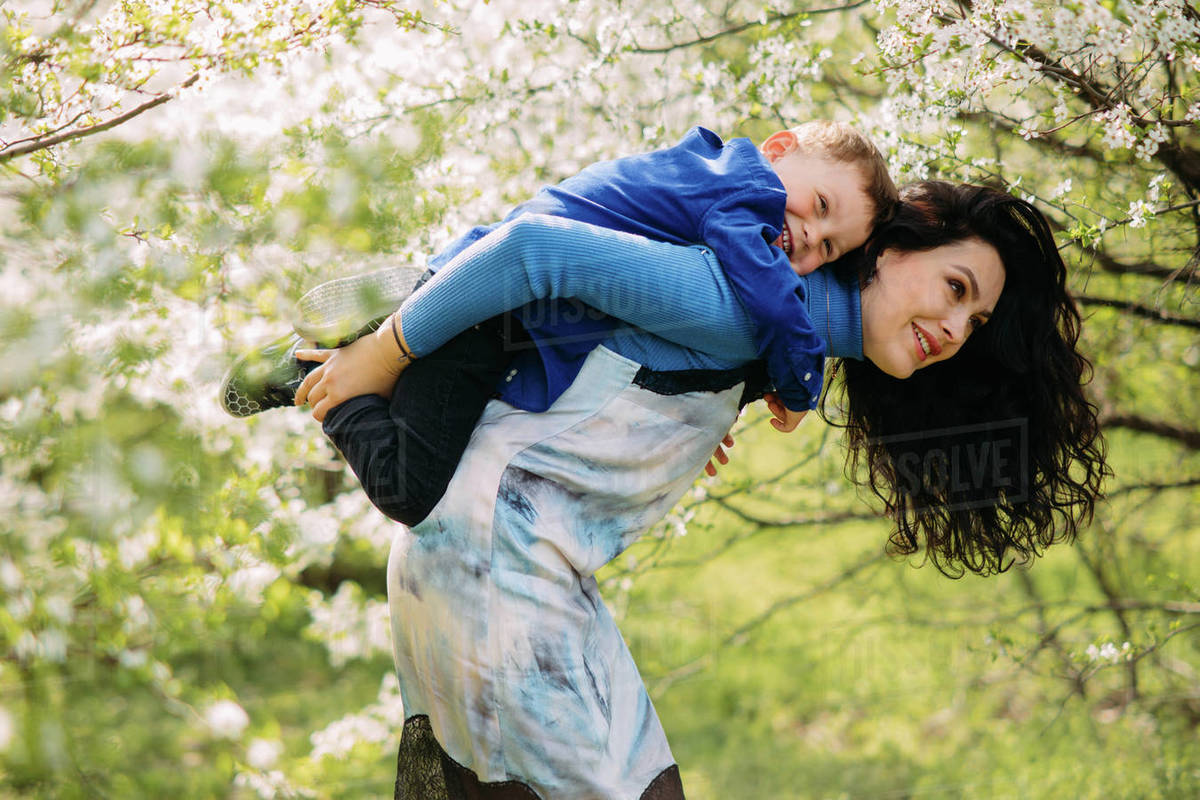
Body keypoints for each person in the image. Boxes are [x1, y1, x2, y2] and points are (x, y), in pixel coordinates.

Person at [292, 181, 1107, 799]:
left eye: (976, 325)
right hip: (494, 573)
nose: (956, 332)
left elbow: (570, 339)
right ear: (894, 247)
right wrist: (381, 357)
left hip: (513, 571)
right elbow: (531, 252)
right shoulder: (738, 304)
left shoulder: (780, 340)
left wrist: (656, 426)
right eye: (956, 289)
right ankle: (327, 358)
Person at [221, 122, 897, 523]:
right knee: (412, 492)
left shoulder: (711, 183)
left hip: (506, 315)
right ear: (779, 149)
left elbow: (670, 306)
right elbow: (764, 297)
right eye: (818, 205)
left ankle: (397, 298)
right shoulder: (741, 195)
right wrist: (801, 379)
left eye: (830, 248)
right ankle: (325, 375)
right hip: (492, 320)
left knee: (445, 434)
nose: (807, 237)